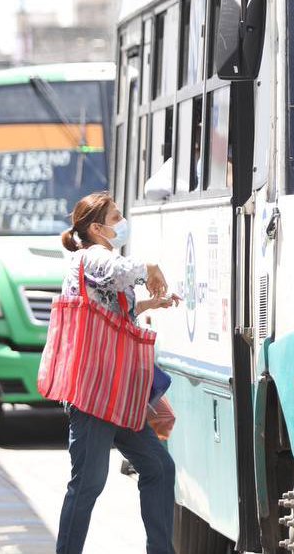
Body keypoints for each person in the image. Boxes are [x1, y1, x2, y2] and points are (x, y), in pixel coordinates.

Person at [56, 191, 180, 554]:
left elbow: (112, 313)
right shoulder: (91, 257)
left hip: (117, 394)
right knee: (88, 484)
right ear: (97, 228)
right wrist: (151, 266)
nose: (122, 223)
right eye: (116, 218)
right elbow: (118, 270)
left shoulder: (97, 261)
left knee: (158, 466)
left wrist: (148, 303)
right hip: (93, 395)